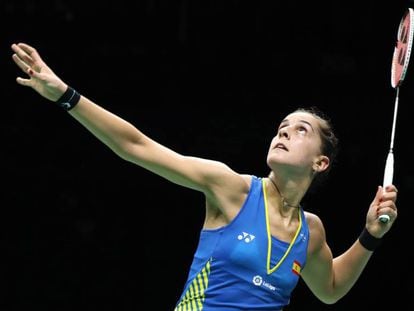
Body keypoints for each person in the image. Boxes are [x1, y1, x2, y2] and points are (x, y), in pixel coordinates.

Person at [11, 42, 398, 311]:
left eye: (301, 130)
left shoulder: (310, 232)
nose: (283, 132)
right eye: (282, 125)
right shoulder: (231, 188)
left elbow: (329, 288)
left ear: (320, 163)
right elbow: (137, 146)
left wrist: (370, 237)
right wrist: (65, 95)